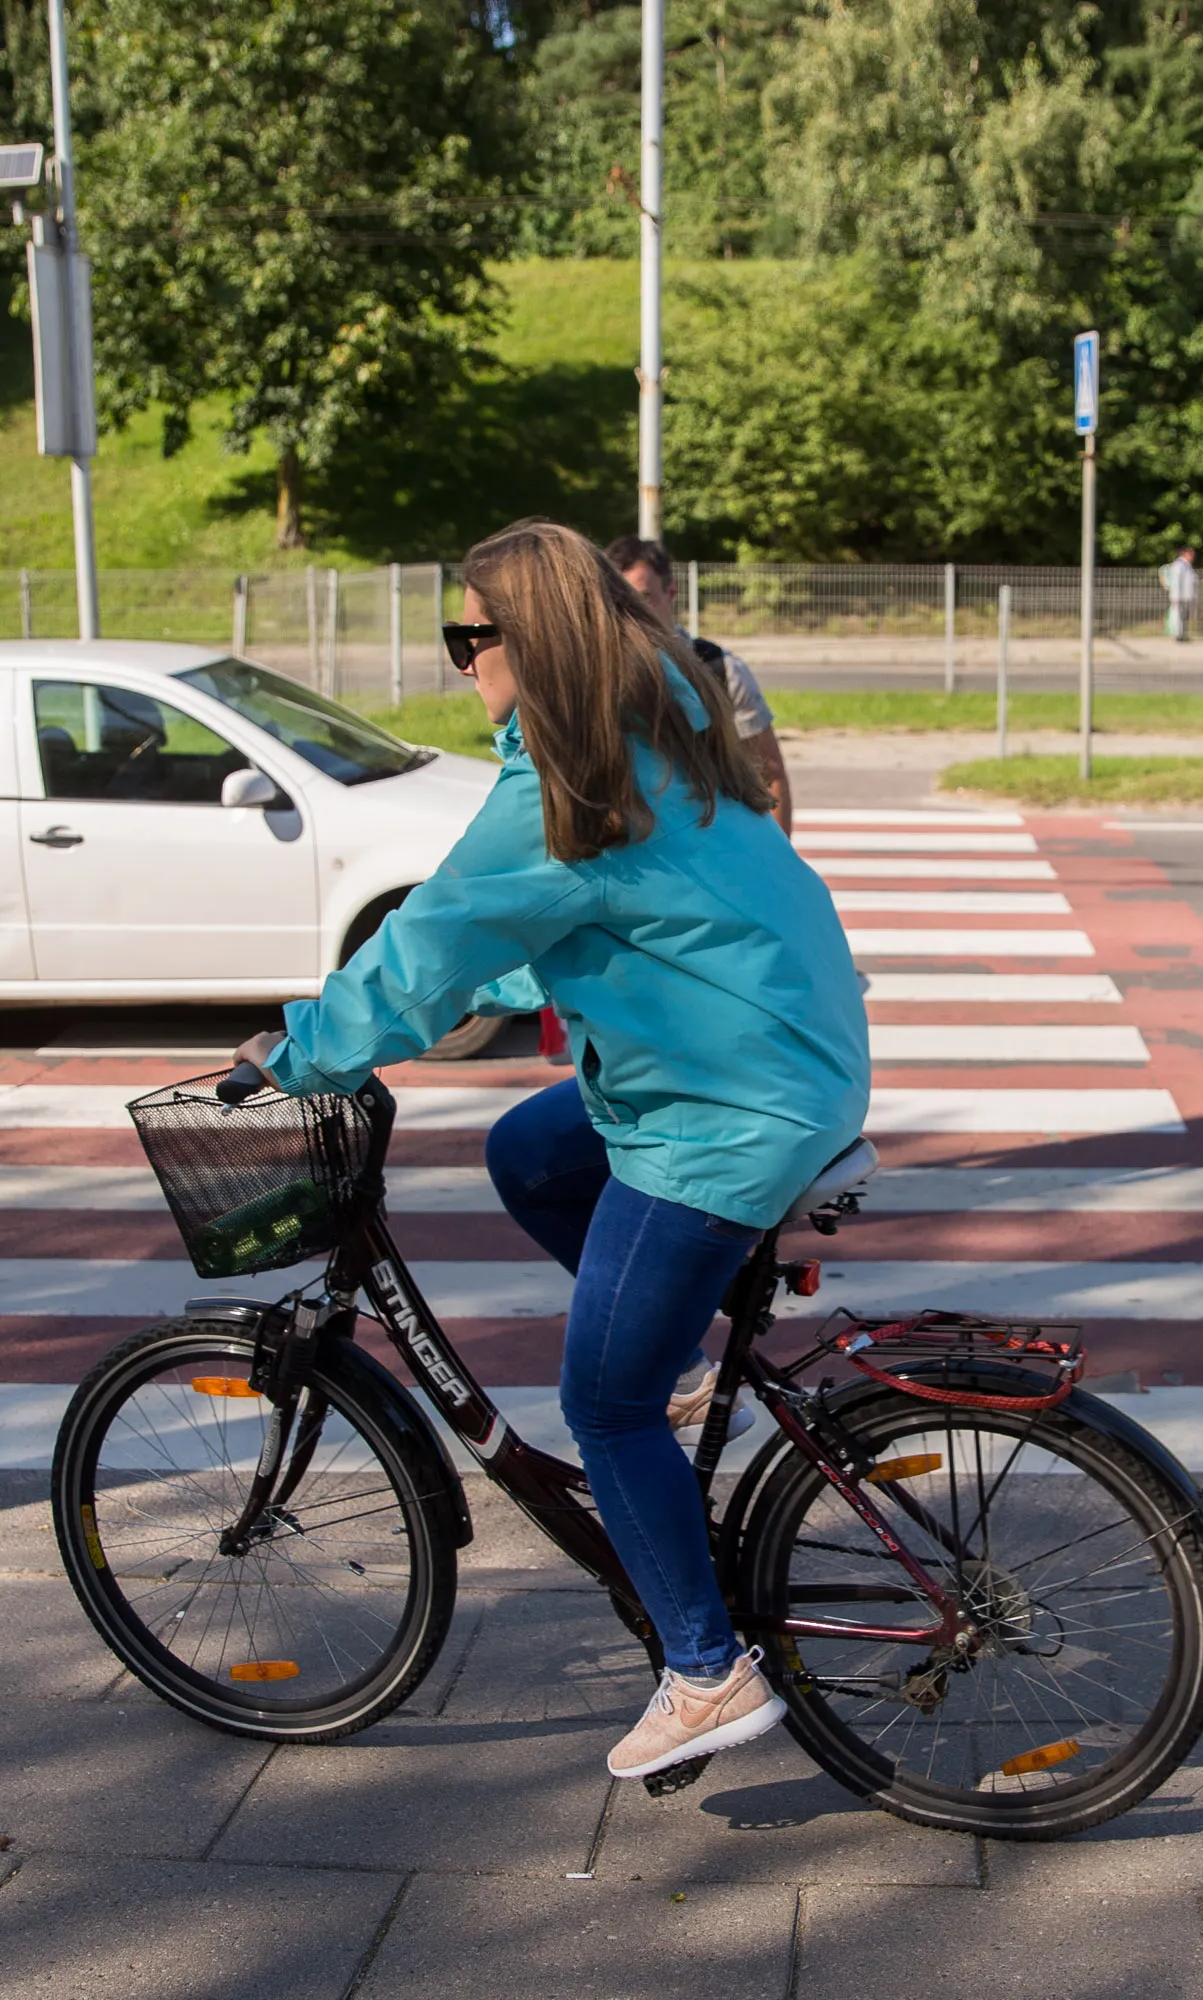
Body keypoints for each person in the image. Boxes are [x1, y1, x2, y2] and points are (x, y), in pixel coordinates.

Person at [232, 519, 869, 1782]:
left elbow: (427, 942)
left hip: (728, 1108)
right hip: (772, 1062)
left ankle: (707, 1669)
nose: (458, 661)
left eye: (471, 636)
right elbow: (612, 917)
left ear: (534, 641)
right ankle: (689, 1361)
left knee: (601, 1401)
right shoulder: (649, 741)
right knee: (531, 1152)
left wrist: (301, 1055)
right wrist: (499, 982)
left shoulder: (560, 788)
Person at [603, 536, 791, 832]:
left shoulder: (721, 671)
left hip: (714, 850)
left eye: (644, 599)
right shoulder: (597, 678)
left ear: (671, 591)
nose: (631, 615)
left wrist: (780, 866)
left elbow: (770, 776)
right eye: (618, 603)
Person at [1161, 545, 1200, 643]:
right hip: (1180, 596)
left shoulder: (1186, 565)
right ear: (1185, 554)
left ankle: (1182, 635)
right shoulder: (1179, 565)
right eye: (1191, 554)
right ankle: (1178, 636)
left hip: (1185, 596)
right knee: (1178, 617)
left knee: (1184, 617)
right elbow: (1176, 582)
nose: (1193, 556)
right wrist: (1176, 597)